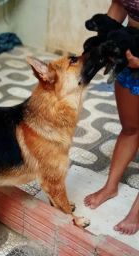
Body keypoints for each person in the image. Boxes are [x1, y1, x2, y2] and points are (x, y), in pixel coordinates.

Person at [84, 0, 139, 235]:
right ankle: (110, 186)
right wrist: (100, 46)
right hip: (131, 48)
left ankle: (136, 211)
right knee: (130, 128)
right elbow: (118, 7)